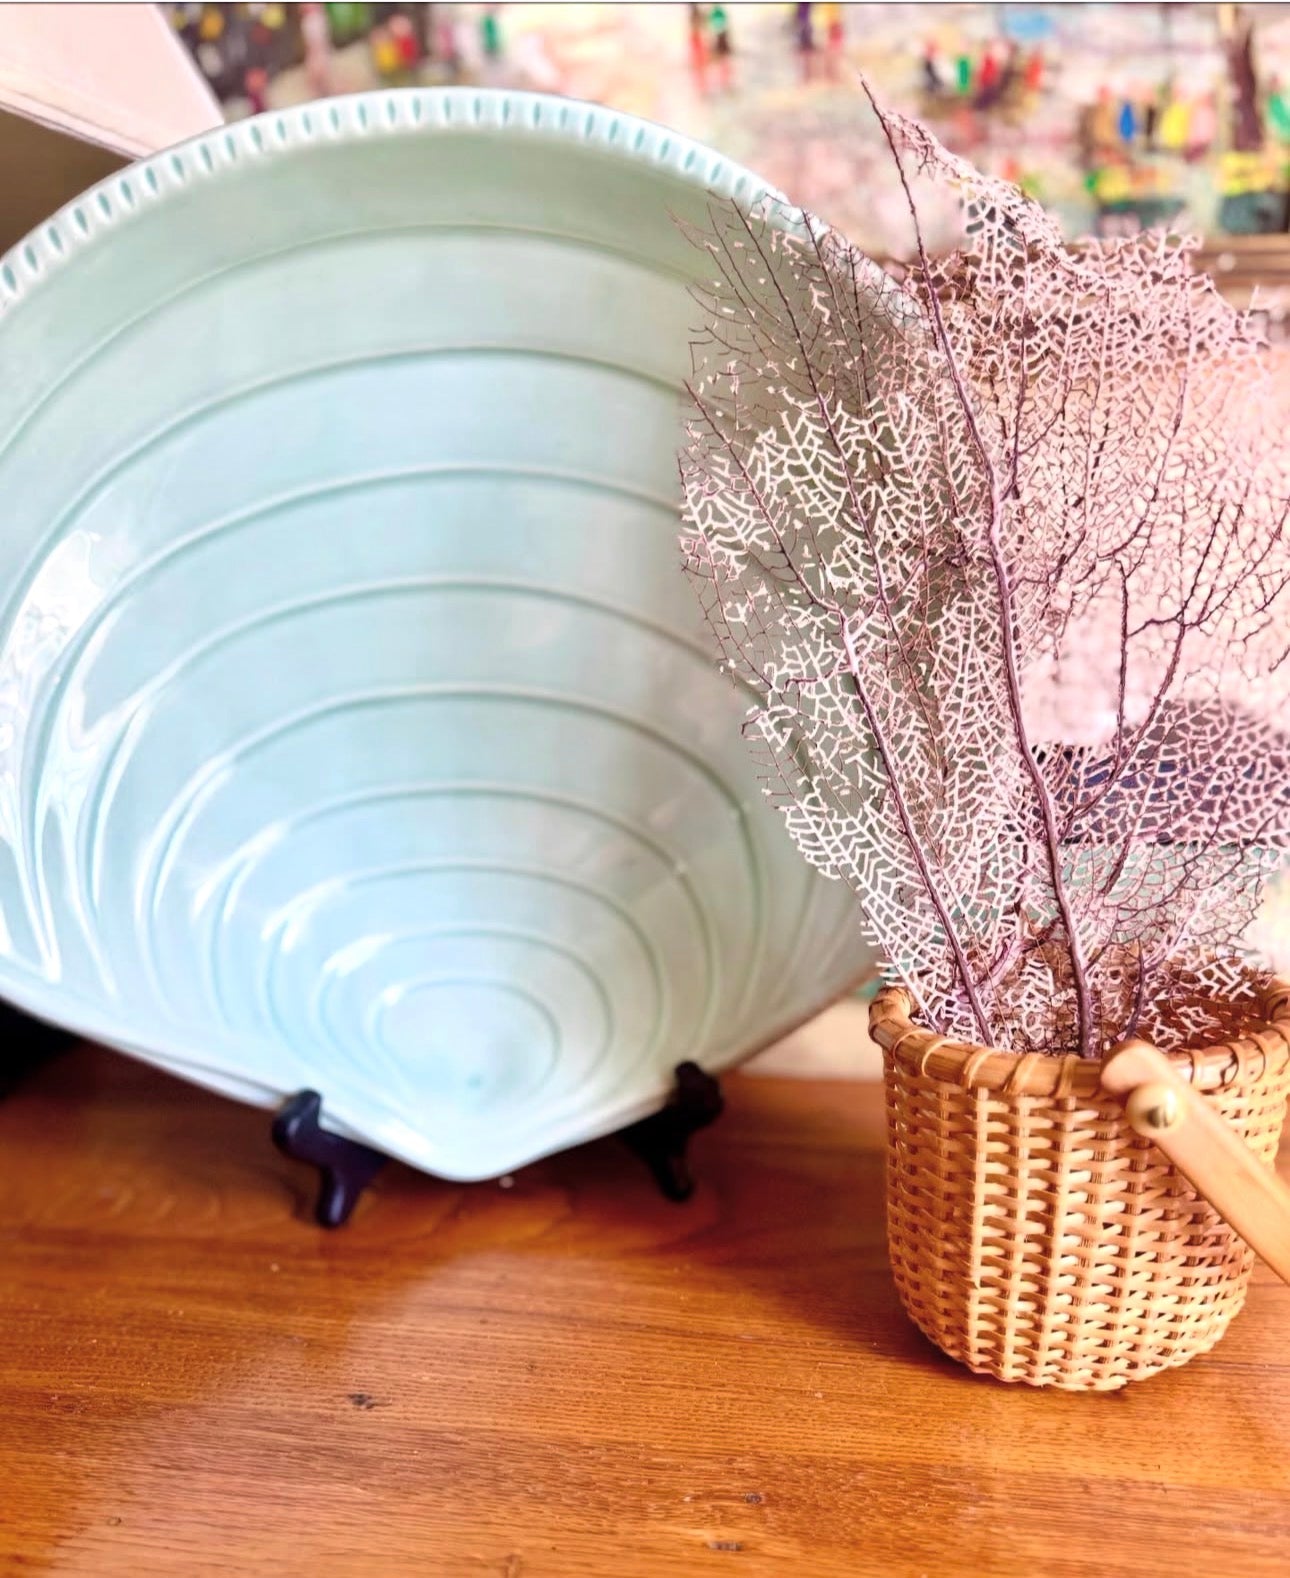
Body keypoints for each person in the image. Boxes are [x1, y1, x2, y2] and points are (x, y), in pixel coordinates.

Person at [299, 2, 332, 99]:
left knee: (324, 79)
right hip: (314, 55)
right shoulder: (307, 21)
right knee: (316, 81)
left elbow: (323, 40)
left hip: (321, 53)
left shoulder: (319, 19)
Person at [710, 3, 733, 92]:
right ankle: (725, 83)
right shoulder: (717, 13)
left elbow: (722, 26)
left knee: (725, 63)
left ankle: (726, 83)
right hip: (720, 38)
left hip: (721, 38)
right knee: (724, 63)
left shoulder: (717, 13)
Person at [688, 4, 709, 98]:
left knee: (701, 69)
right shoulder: (695, 18)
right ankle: (702, 90)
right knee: (700, 69)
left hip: (698, 43)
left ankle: (702, 89)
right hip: (697, 43)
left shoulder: (695, 17)